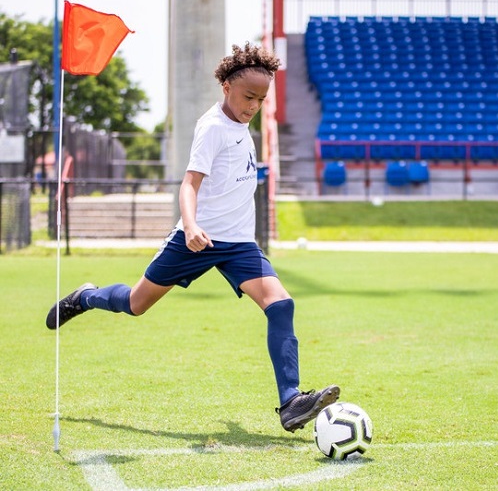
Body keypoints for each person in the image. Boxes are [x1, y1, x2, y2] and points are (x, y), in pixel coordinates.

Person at [46, 43, 340, 432]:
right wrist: (190, 225)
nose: (253, 105)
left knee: (281, 304)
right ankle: (85, 296)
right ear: (226, 86)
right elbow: (189, 184)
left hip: (239, 245)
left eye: (261, 99)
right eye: (248, 97)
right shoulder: (212, 127)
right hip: (195, 239)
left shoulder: (241, 126)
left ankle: (290, 402)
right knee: (136, 304)